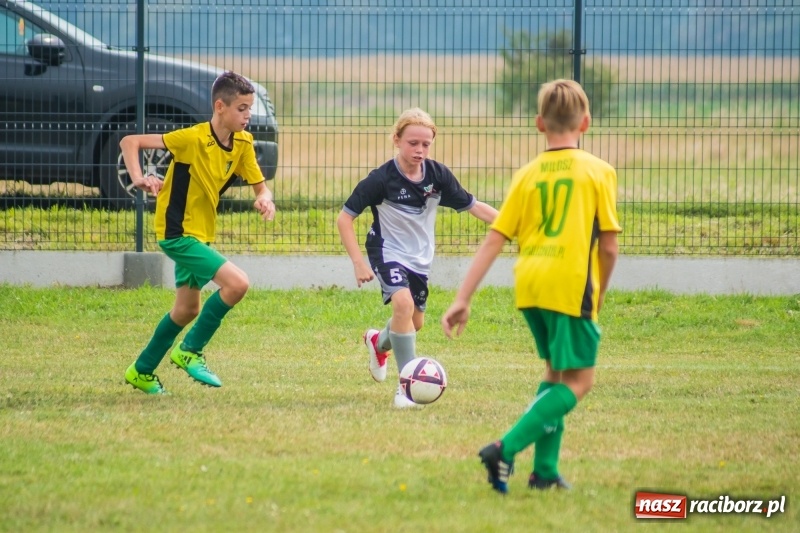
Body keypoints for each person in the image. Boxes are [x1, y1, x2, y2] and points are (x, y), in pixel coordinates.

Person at [441, 79, 621, 493]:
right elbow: (608, 248)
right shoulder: (598, 171)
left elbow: (494, 239)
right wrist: (600, 292)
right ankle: (505, 448)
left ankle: (545, 472)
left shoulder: (526, 174)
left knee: (556, 374)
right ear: (586, 123)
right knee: (580, 382)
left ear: (539, 123)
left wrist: (463, 297)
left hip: (531, 284)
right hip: (572, 283)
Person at [121, 71, 276, 394]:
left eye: (249, 108)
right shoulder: (192, 138)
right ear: (220, 106)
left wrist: (264, 199)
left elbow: (262, 188)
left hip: (201, 233)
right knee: (238, 284)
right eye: (242, 108)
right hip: (177, 233)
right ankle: (190, 350)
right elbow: (130, 142)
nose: (248, 115)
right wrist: (138, 178)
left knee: (187, 309)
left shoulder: (243, 144)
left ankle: (142, 370)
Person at [337, 107, 498, 408]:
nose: (420, 150)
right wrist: (359, 262)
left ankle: (378, 342)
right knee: (403, 304)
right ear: (396, 140)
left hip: (420, 259)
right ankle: (406, 389)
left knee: (413, 322)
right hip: (387, 251)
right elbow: (344, 219)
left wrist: (513, 225)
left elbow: (474, 206)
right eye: (413, 143)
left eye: (426, 144)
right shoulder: (380, 179)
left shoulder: (438, 176)